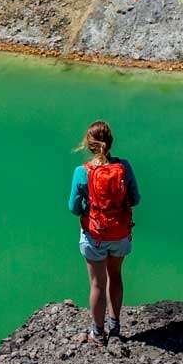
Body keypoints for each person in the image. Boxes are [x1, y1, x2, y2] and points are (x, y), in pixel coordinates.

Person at [67, 119, 140, 346]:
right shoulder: (124, 167)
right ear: (110, 142)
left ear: (89, 145)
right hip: (119, 234)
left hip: (94, 235)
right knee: (115, 276)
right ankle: (115, 326)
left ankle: (98, 333)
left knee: (97, 283)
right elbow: (135, 199)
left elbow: (73, 208)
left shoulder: (82, 172)